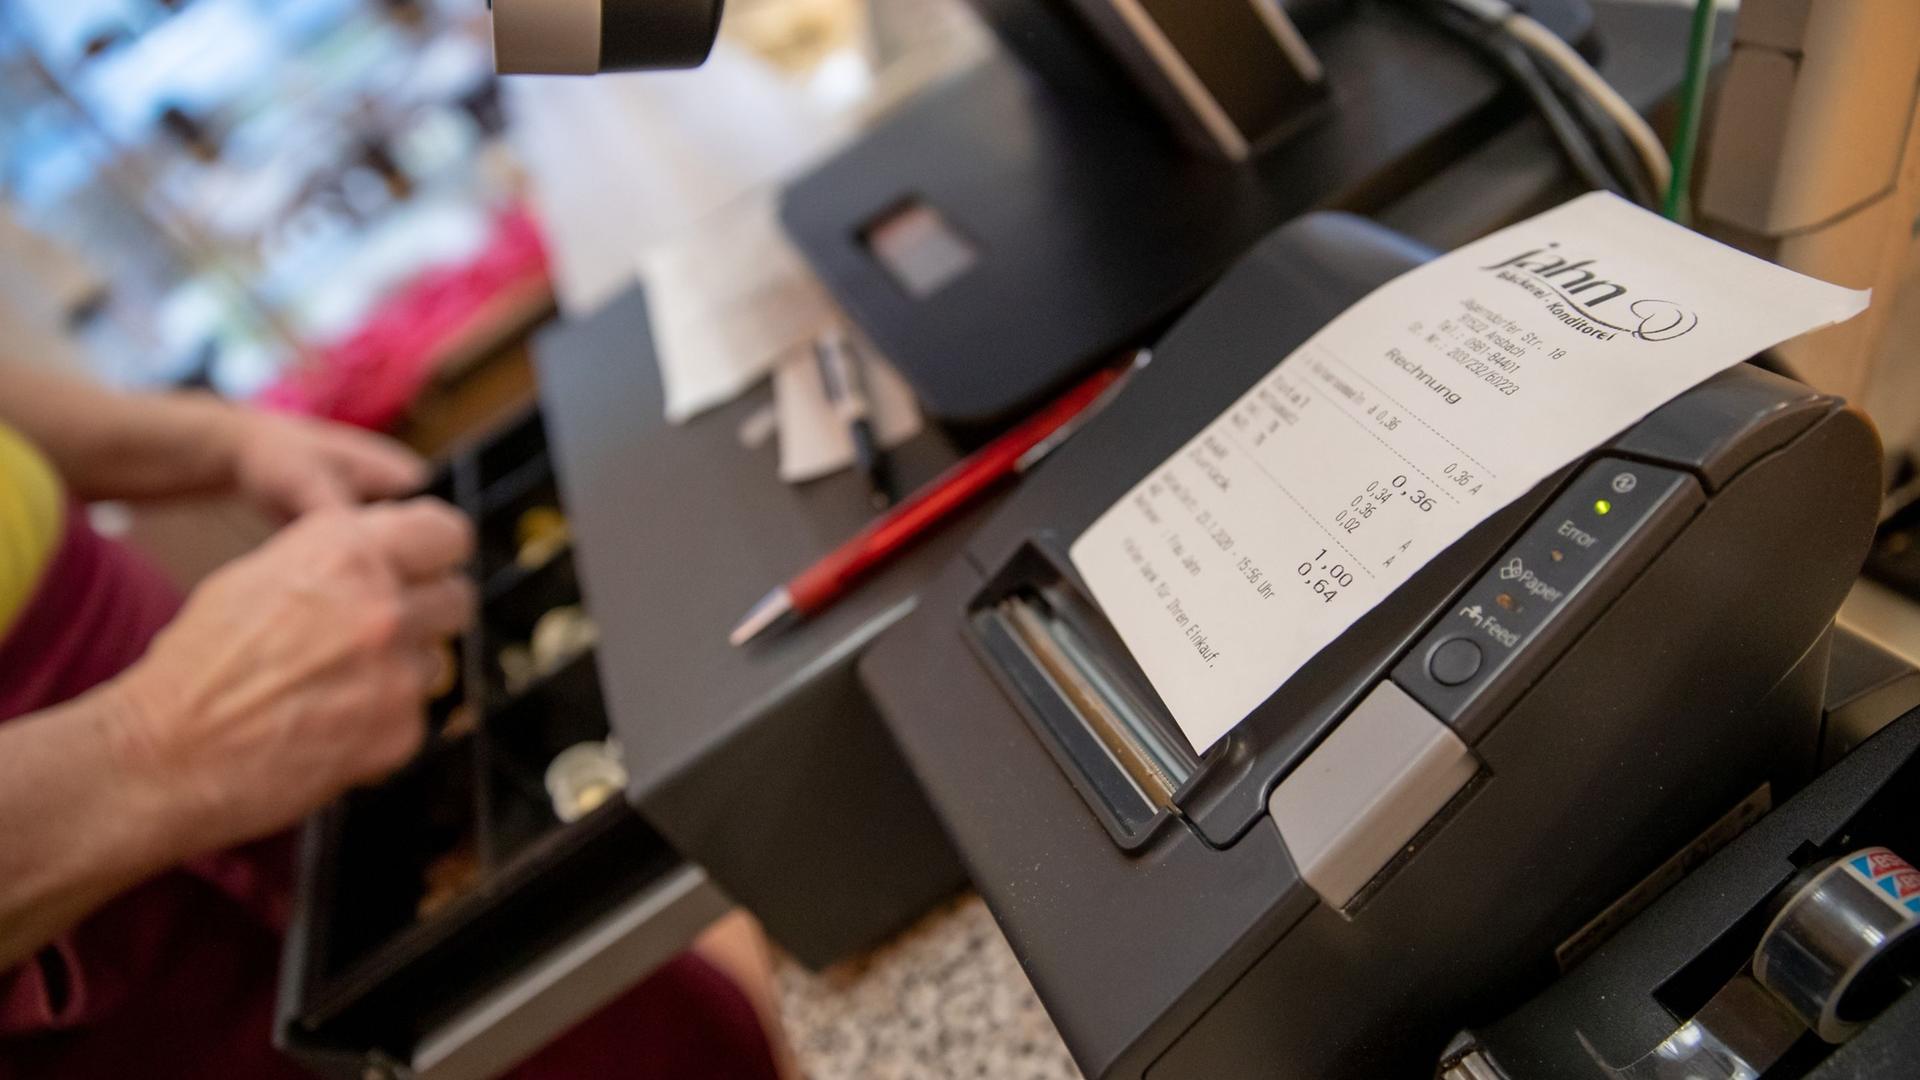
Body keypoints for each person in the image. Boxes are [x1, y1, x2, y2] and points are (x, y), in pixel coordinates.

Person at [0, 363, 788, 1078]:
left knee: (641, 1030)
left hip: (171, 688)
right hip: (77, 946)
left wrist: (219, 441)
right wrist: (151, 739)